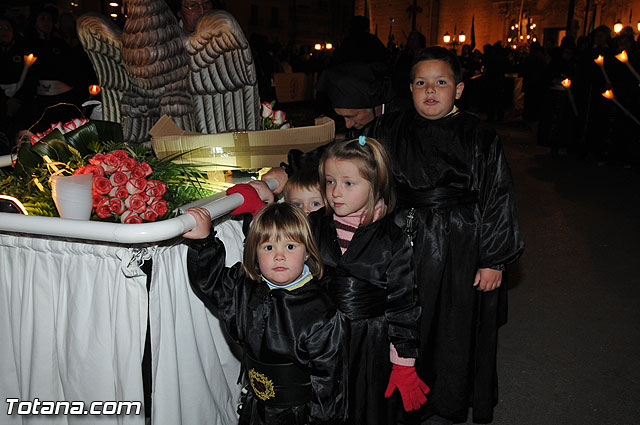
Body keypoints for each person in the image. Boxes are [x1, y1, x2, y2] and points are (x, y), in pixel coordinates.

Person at [265, 47, 524, 424]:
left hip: (458, 243)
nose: (430, 90)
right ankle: (400, 390)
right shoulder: (390, 128)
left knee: (450, 322)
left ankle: (445, 397)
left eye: (441, 82)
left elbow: (498, 194)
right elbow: (345, 153)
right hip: (404, 234)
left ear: (460, 89)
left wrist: (493, 259)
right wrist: (291, 168)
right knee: (407, 315)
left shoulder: (479, 134)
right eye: (421, 83)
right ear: (410, 88)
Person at [183, 200, 348, 425]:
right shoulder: (243, 288)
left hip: (299, 415)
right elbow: (211, 282)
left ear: (307, 252)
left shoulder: (321, 313)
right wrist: (204, 242)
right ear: (255, 253)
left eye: (290, 247)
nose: (279, 256)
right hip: (256, 408)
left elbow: (329, 384)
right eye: (268, 247)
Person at [310, 136, 428, 424]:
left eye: (349, 183)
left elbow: (404, 302)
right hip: (319, 336)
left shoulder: (391, 237)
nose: (336, 192)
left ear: (375, 186)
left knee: (365, 405)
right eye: (330, 182)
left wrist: (403, 361)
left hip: (369, 341)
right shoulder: (313, 224)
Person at [316, 61, 411, 135]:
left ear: (375, 106)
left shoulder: (405, 124)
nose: (348, 125)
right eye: (343, 116)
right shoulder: (348, 122)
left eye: (352, 116)